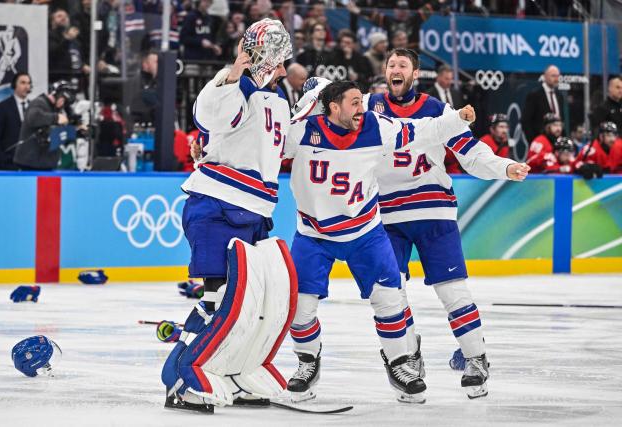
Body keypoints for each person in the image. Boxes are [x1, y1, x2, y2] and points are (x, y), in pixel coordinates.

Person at [283, 80, 477, 404]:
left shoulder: (376, 126)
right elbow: (264, 143)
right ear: (332, 106)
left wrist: (458, 118)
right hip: (313, 234)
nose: (364, 107)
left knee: (390, 300)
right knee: (299, 309)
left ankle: (401, 364)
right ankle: (307, 362)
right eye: (355, 102)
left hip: (365, 233)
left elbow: (421, 131)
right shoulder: (302, 131)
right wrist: (205, 152)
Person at [364, 48, 530, 399]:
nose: (395, 69)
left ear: (415, 73)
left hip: (433, 210)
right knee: (389, 294)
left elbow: (470, 152)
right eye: (391, 64)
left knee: (452, 290)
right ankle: (406, 360)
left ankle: (475, 358)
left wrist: (504, 167)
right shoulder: (367, 106)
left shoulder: (438, 110)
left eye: (402, 65)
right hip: (386, 216)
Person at [161, 18, 293, 410]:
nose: (285, 69)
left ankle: (232, 371)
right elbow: (209, 117)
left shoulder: (276, 97)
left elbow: (278, 149)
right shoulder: (231, 84)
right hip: (217, 206)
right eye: (279, 59)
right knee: (221, 301)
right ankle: (181, 378)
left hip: (253, 212)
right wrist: (238, 71)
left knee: (251, 306)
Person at [13, 80, 74, 171]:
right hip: (31, 164)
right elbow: (33, 118)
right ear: (55, 95)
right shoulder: (39, 102)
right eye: (62, 99)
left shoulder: (55, 108)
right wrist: (56, 118)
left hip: (45, 163)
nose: (62, 104)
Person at [0, 72, 32, 170]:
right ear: (14, 85)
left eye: (28, 83)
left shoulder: (34, 107)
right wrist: (3, 160)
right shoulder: (2, 107)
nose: (26, 86)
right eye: (23, 83)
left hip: (29, 165)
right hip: (7, 165)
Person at [522, 65, 565, 142]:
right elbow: (525, 121)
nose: (556, 79)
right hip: (540, 142)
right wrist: (533, 141)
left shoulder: (560, 96)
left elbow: (562, 119)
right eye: (553, 76)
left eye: (558, 76)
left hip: (557, 144)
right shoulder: (534, 95)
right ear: (545, 77)